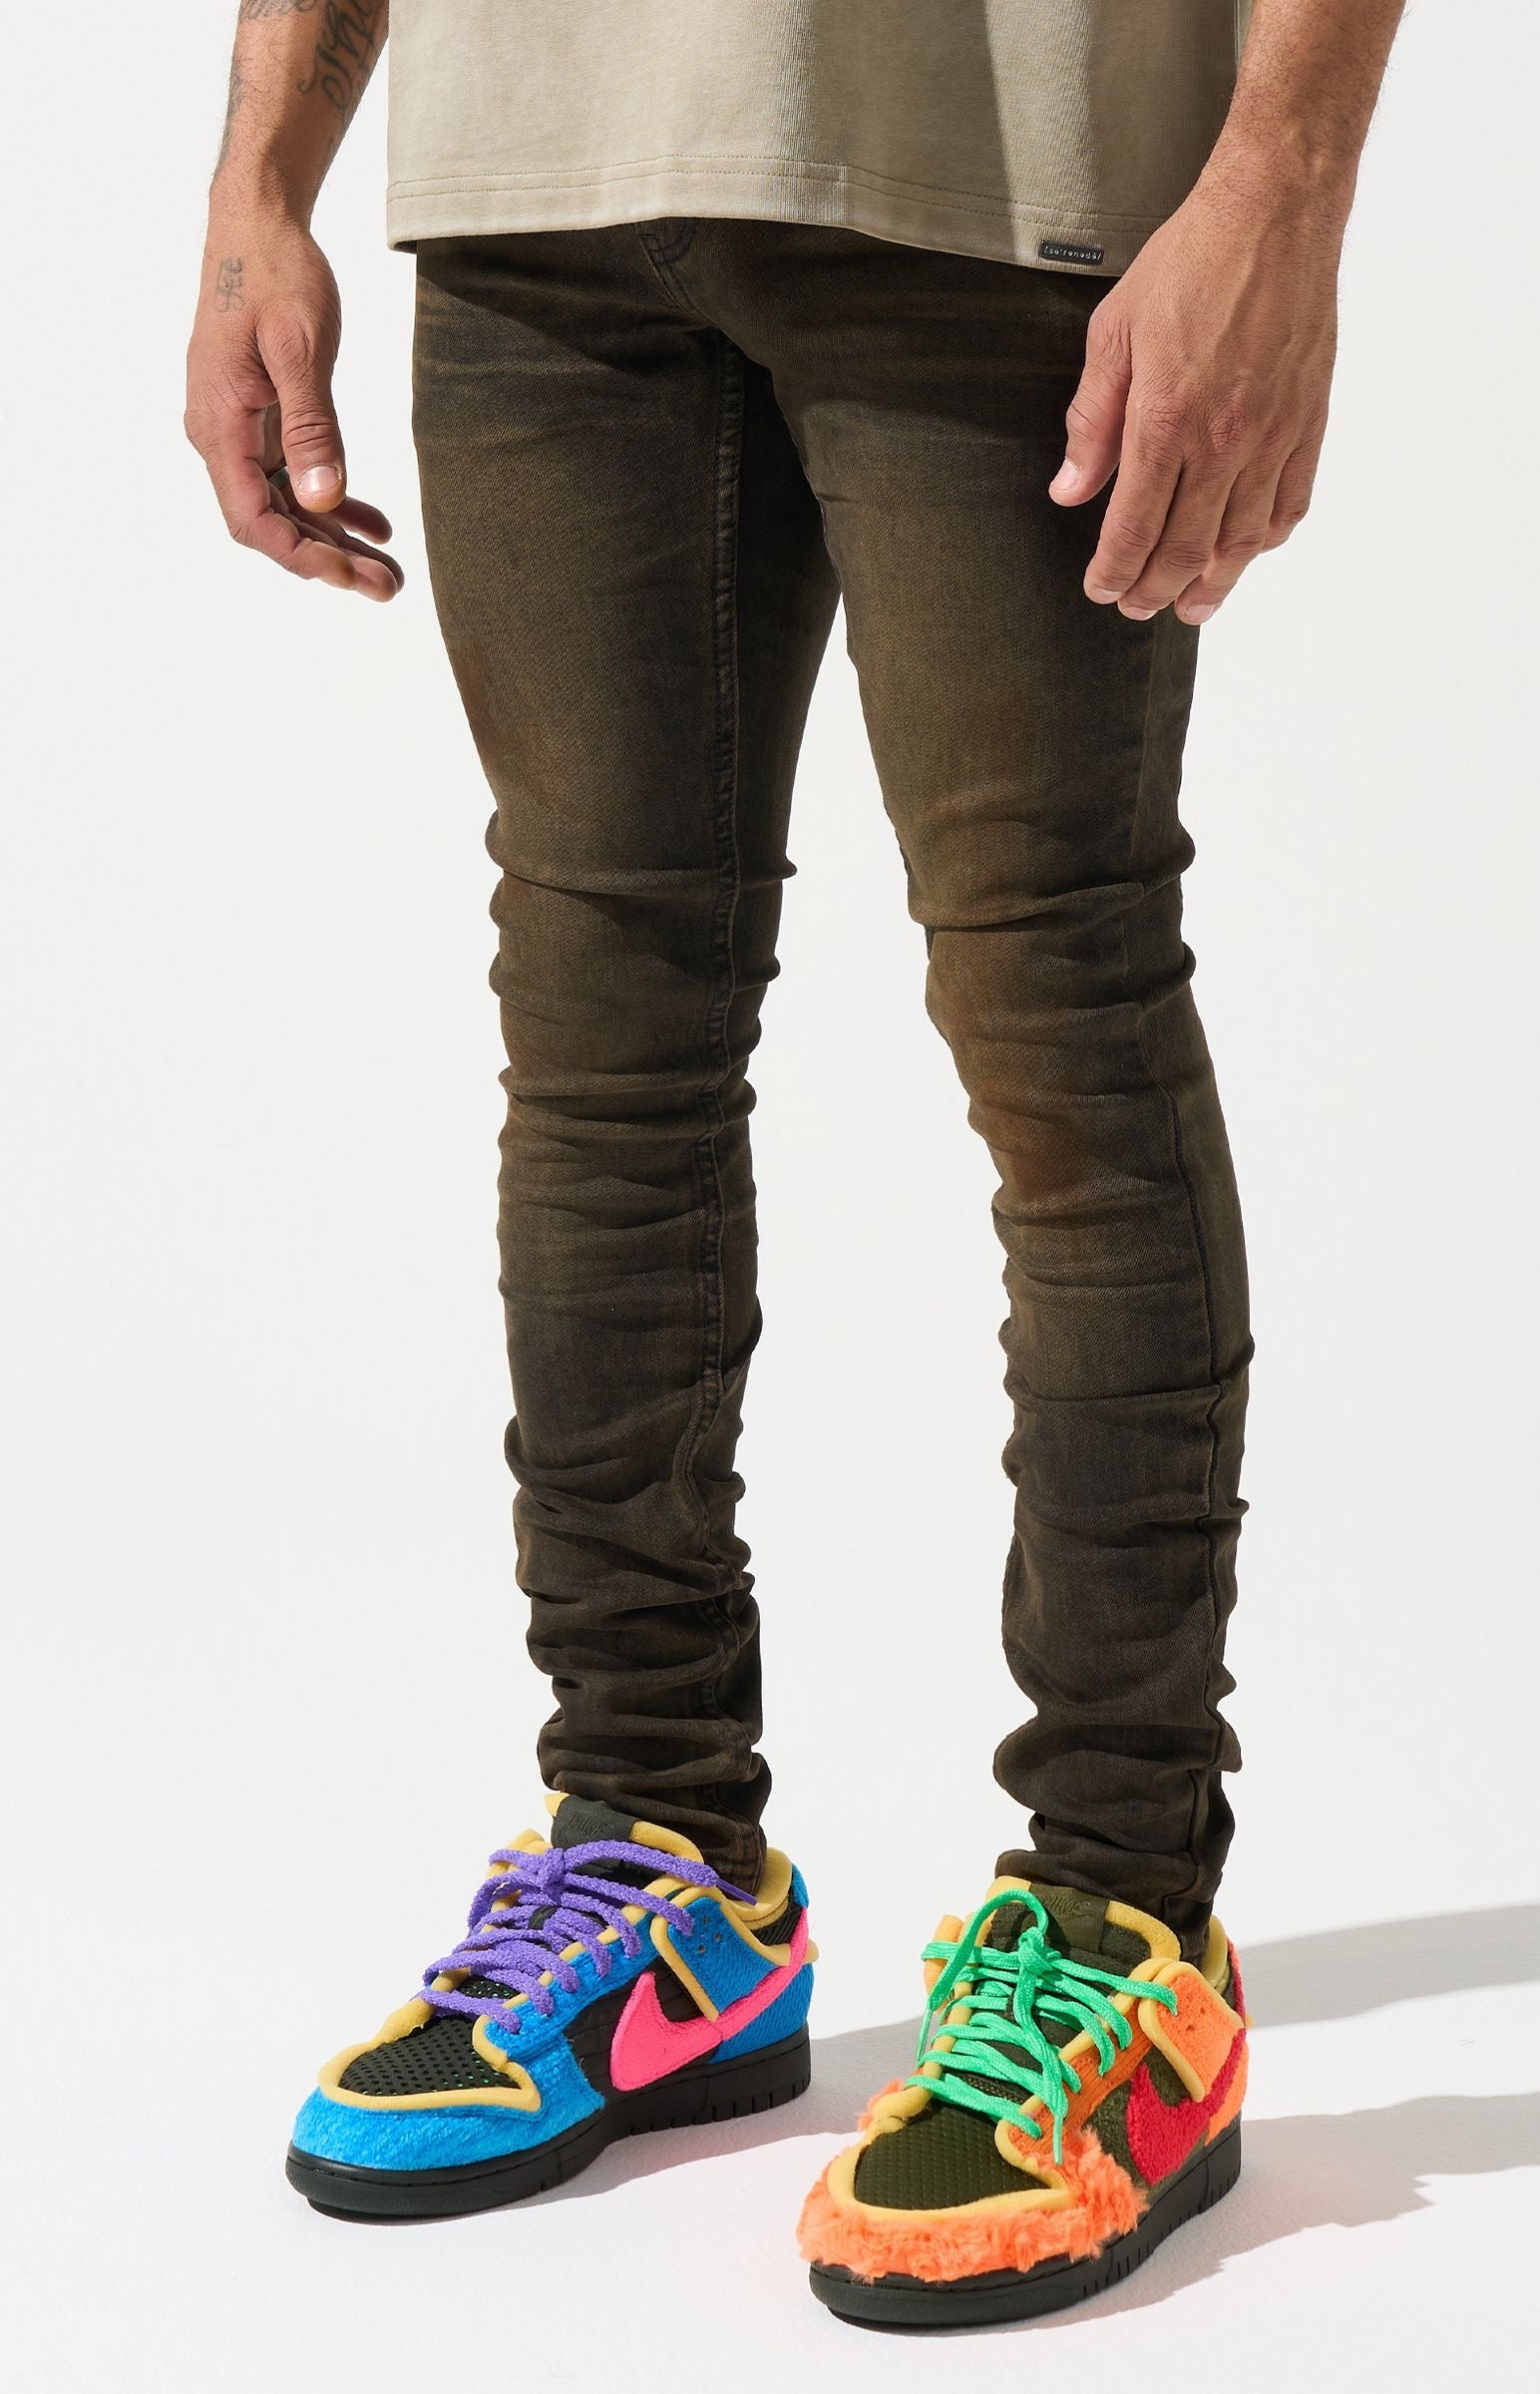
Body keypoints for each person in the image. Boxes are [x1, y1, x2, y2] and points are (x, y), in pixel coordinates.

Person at [187, 0, 1404, 2322]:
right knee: (598, 1055)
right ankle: (661, 1867)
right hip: (538, 186)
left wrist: (1275, 190)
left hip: (1003, 175)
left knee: (1056, 1016)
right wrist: (259, 183)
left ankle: (1123, 1916)